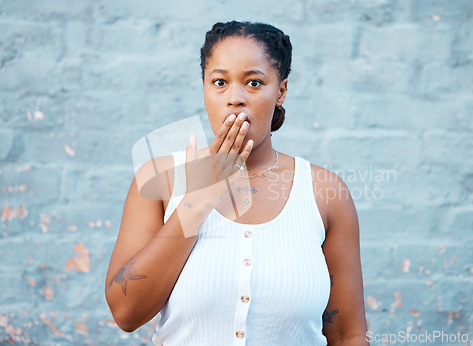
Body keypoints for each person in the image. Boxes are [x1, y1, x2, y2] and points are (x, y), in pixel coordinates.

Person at [105, 20, 369, 345]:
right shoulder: (158, 181)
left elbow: (347, 334)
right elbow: (126, 313)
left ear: (281, 91)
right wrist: (197, 201)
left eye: (254, 83)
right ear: (204, 87)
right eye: (219, 82)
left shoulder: (326, 194)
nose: (235, 98)